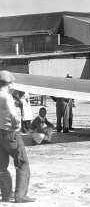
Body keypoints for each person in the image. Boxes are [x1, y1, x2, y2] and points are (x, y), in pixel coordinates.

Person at [0, 70, 36, 203]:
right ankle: (20, 196)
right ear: (8, 83)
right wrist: (17, 123)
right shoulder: (7, 97)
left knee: (2, 166)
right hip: (11, 133)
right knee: (22, 163)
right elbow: (12, 113)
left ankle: (6, 195)